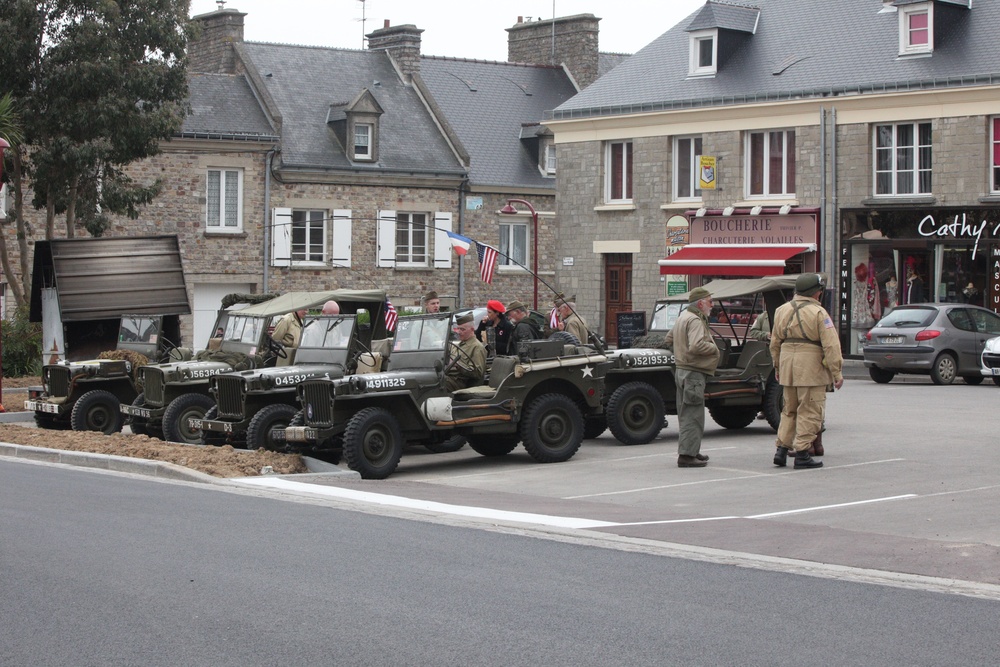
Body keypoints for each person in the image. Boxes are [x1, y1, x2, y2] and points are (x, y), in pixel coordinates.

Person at [770, 273, 844, 470]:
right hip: (810, 367)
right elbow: (831, 345)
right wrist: (837, 372)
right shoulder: (819, 313)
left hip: (788, 364)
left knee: (789, 410)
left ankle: (781, 450)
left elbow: (775, 342)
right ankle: (802, 453)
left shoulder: (781, 311)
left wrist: (777, 366)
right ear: (816, 293)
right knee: (810, 410)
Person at [664, 287, 719, 468]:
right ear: (701, 303)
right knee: (693, 415)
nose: (712, 305)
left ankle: (691, 451)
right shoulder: (695, 320)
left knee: (687, 413)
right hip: (693, 372)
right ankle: (687, 456)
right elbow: (696, 346)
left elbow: (669, 338)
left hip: (682, 370)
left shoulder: (683, 317)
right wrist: (714, 348)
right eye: (710, 301)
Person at [444, 313, 487, 392]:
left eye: (462, 329)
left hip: (461, 383)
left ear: (472, 329)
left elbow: (478, 373)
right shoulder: (458, 345)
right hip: (450, 378)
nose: (459, 332)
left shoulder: (477, 347)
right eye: (458, 329)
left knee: (438, 384)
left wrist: (458, 365)